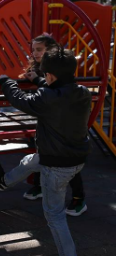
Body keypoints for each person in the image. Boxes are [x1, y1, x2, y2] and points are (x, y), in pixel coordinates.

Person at [0, 48, 90, 256]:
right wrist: (38, 80)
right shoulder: (82, 92)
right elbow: (56, 90)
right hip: (75, 158)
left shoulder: (47, 98)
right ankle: (5, 181)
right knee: (31, 161)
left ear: (51, 75)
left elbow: (20, 100)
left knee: (55, 216)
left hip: (56, 164)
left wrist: (7, 82)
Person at [20, 35, 86, 215]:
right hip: (46, 119)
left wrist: (35, 81)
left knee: (66, 159)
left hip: (61, 123)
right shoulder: (38, 69)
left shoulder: (59, 71)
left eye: (39, 50)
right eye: (33, 50)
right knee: (42, 152)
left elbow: (56, 90)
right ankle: (40, 186)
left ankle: (79, 198)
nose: (35, 53)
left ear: (51, 51)